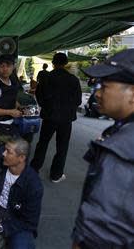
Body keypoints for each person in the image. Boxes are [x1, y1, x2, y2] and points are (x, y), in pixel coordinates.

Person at [72, 50, 134, 249]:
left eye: (105, 86)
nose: (97, 93)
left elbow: (100, 233)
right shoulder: (118, 130)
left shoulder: (122, 149)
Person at [30, 53, 81, 183]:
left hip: (49, 117)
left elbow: (39, 96)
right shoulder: (73, 80)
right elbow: (78, 101)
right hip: (66, 119)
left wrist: (47, 107)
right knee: (62, 147)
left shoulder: (46, 78)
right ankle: (56, 174)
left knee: (43, 143)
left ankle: (34, 169)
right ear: (66, 63)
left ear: (53, 63)